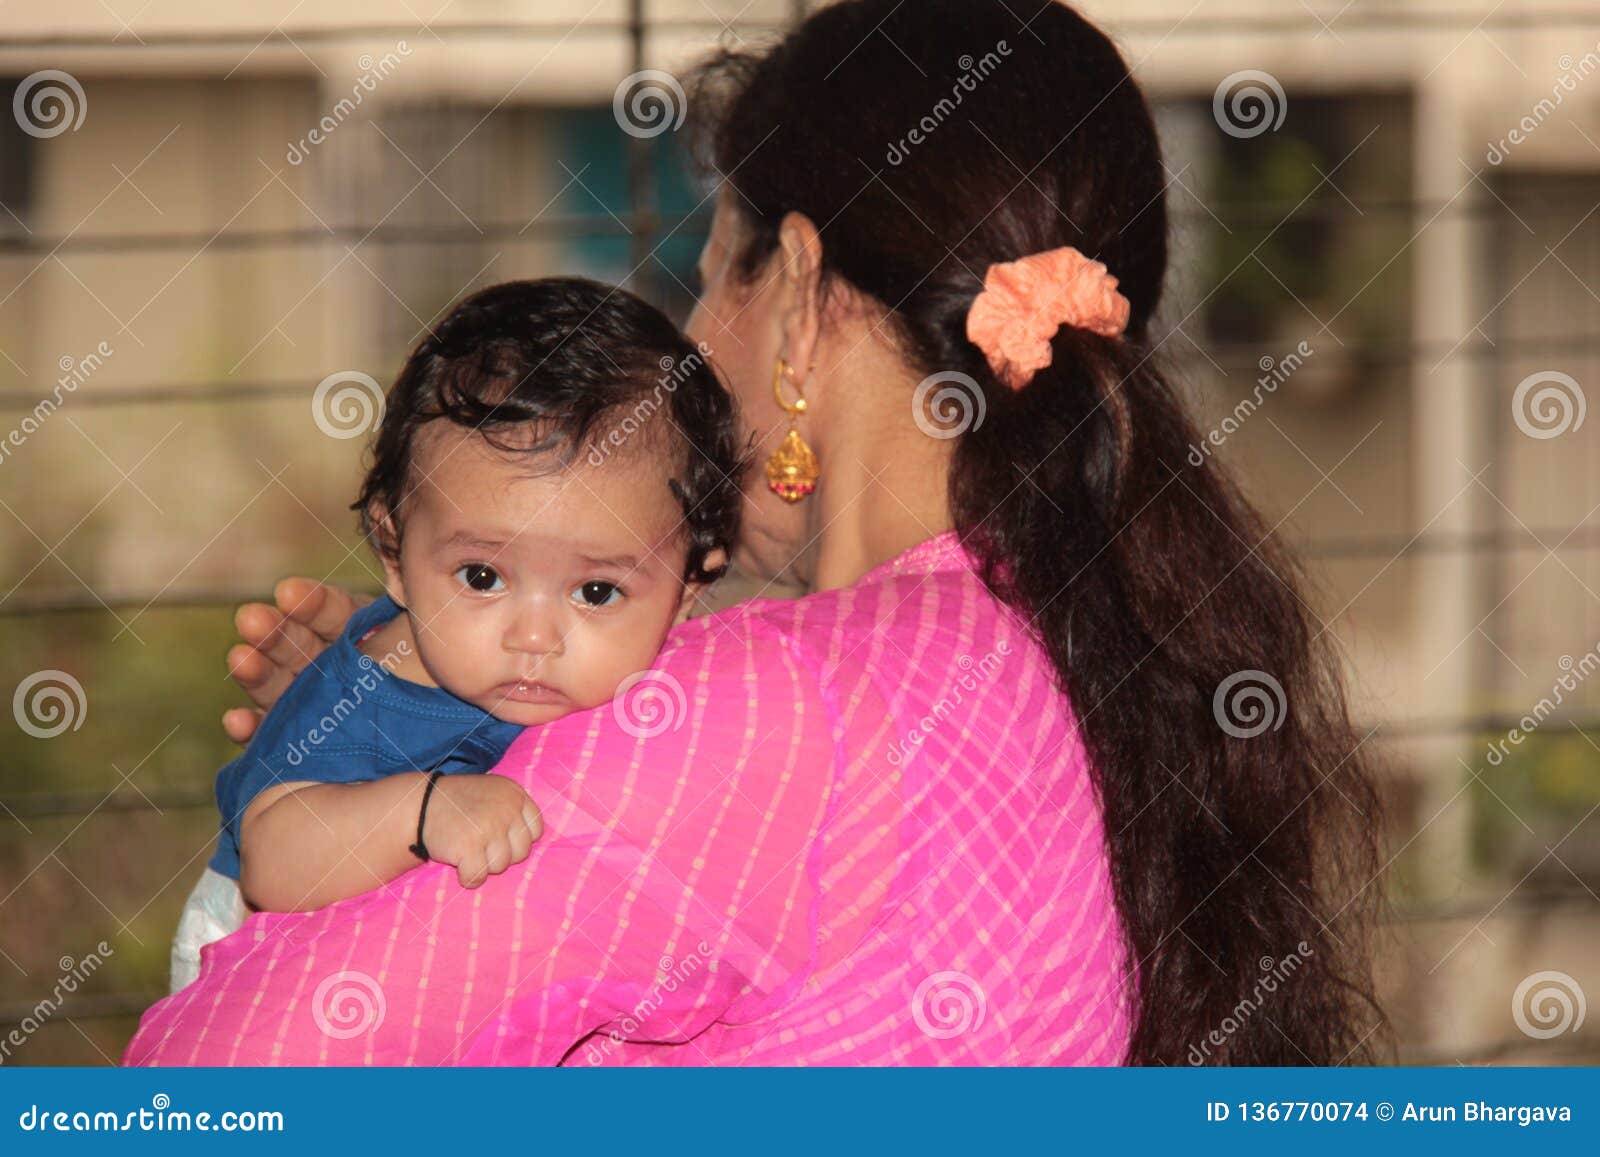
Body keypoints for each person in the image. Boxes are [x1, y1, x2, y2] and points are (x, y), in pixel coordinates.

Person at [126, 0, 1383, 1066]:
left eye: (705, 272)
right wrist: (396, 703)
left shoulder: (769, 709)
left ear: (791, 289)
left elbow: (203, 1083)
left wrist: (358, 805)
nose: (693, 352)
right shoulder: (1065, 651)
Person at [168, 278, 743, 992]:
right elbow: (270, 854)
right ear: (394, 555)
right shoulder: (370, 700)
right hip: (245, 956)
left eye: (597, 591)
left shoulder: (676, 665)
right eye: (480, 577)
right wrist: (422, 809)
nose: (533, 637)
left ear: (687, 592)